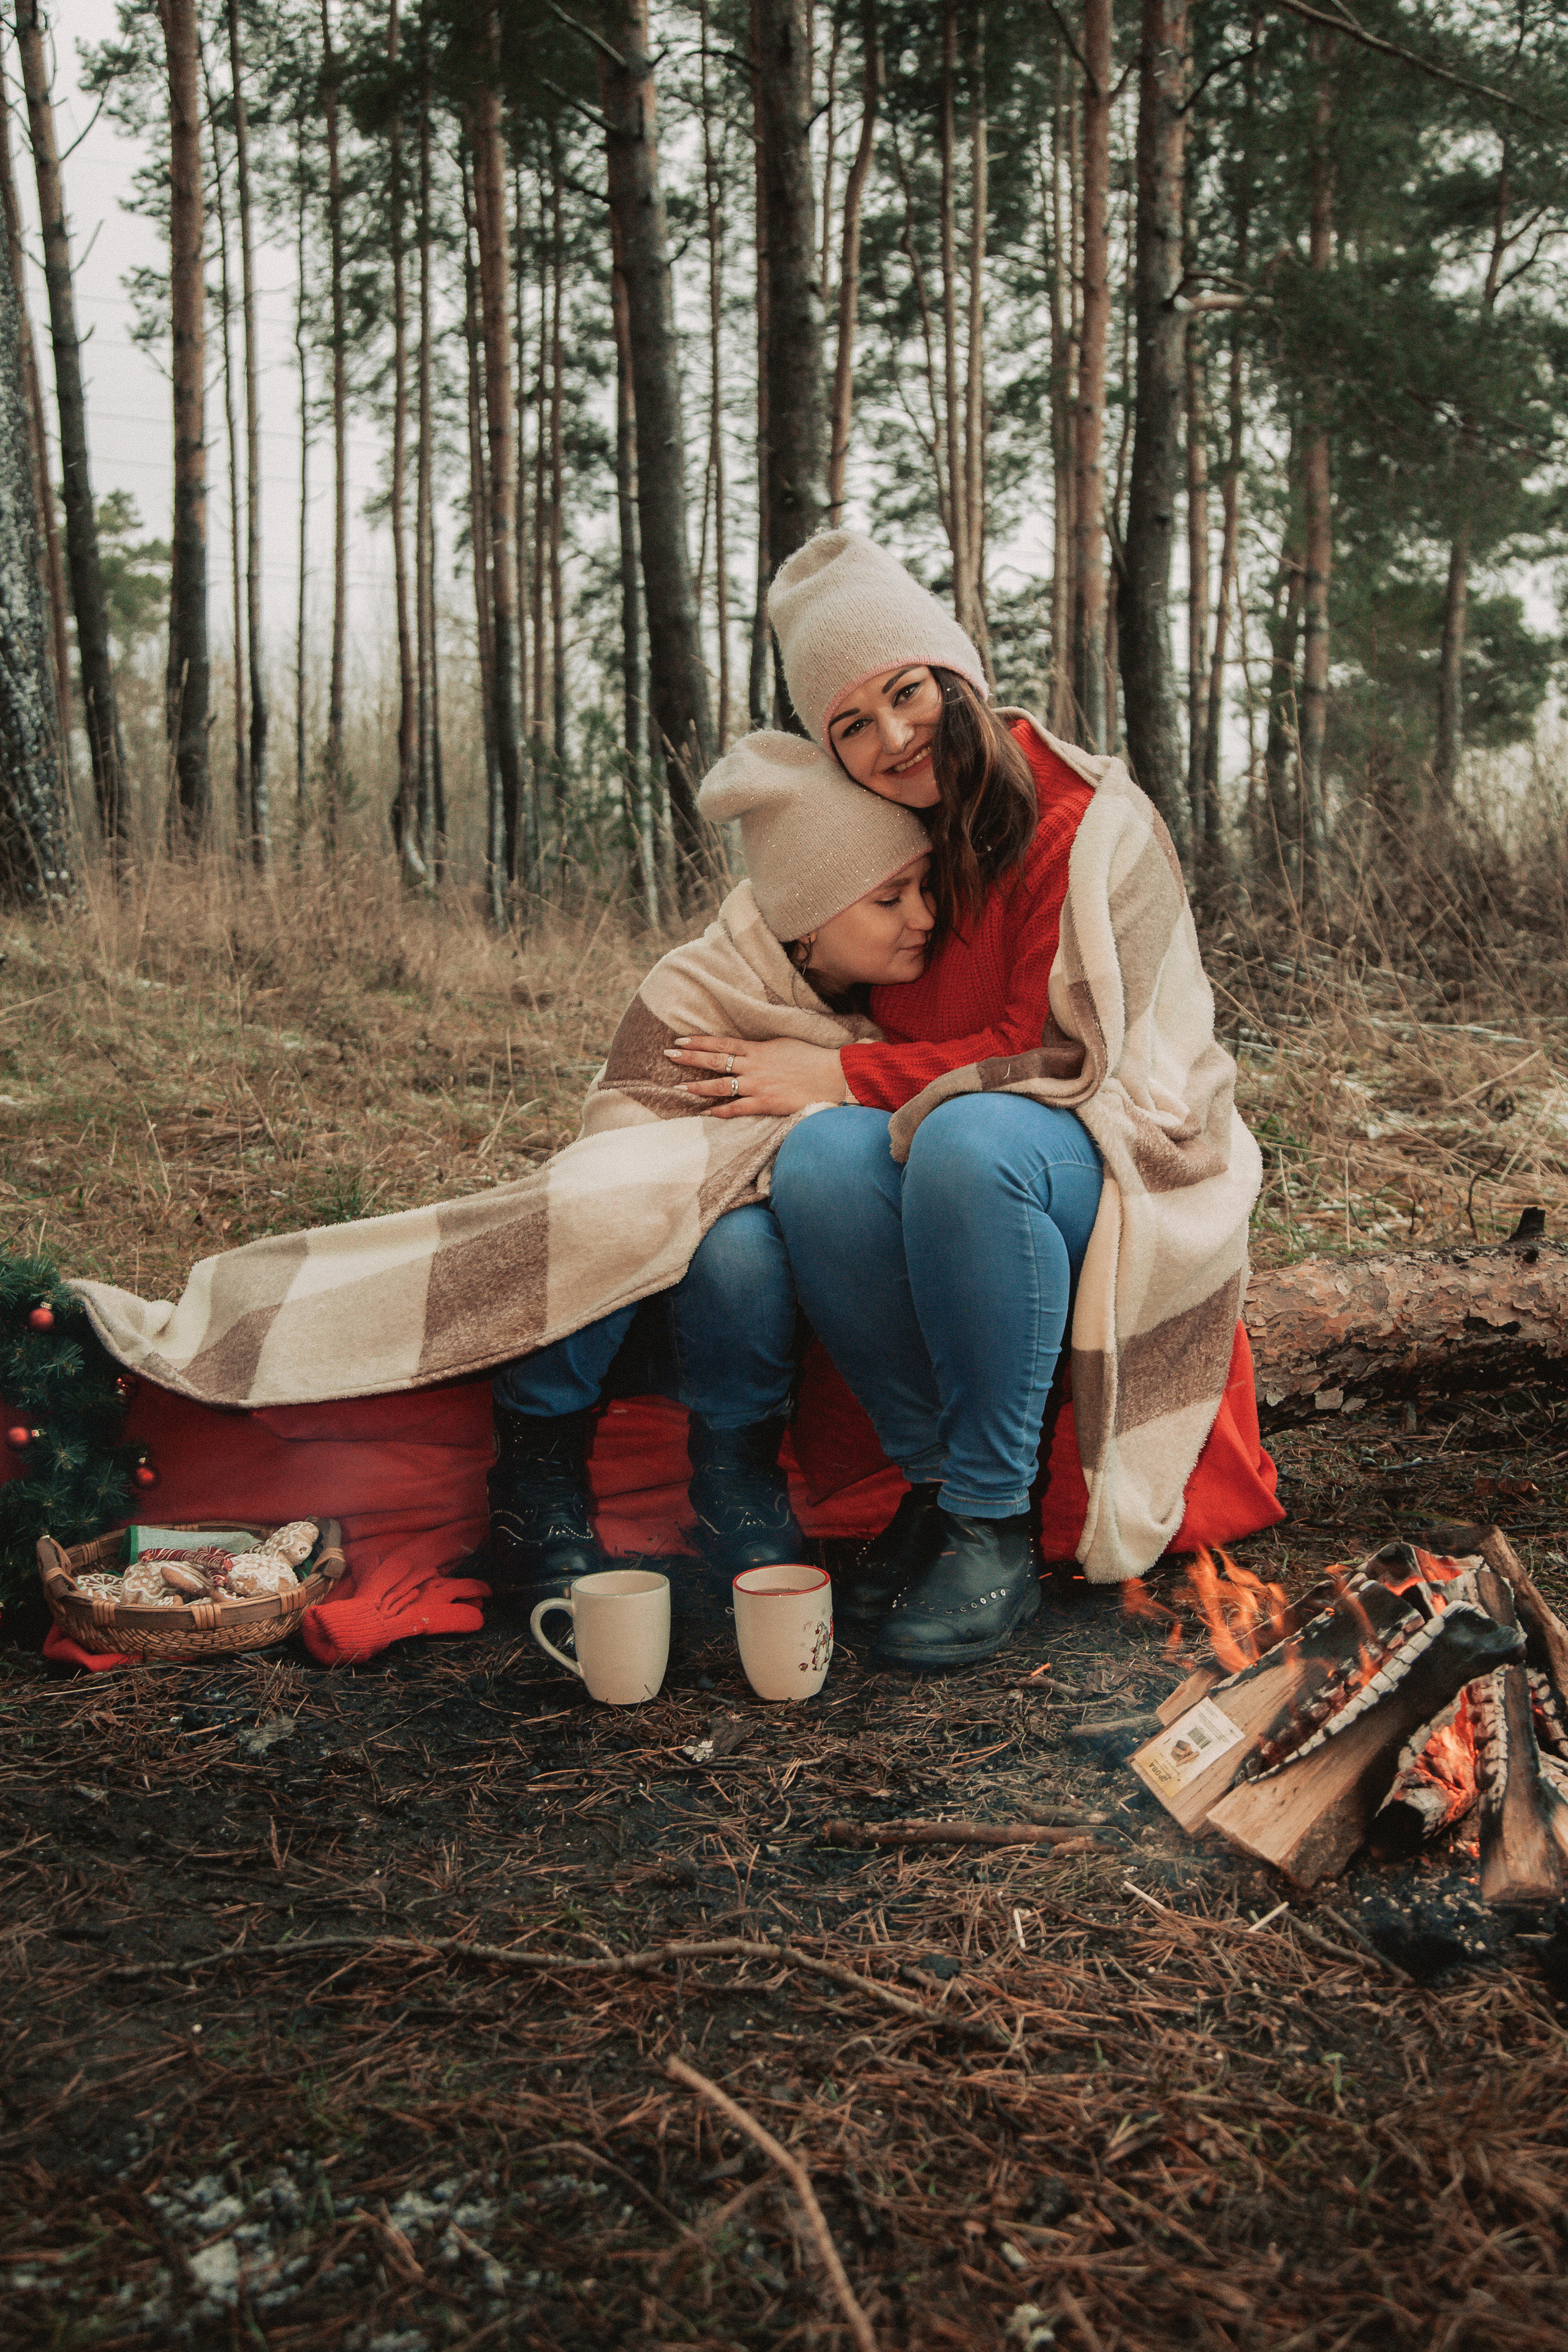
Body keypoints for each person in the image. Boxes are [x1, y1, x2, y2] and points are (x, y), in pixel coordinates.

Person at [665, 529, 1259, 1670]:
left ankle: (994, 1517)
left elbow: (1060, 1052)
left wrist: (842, 1074)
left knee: (967, 1137)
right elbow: (781, 971)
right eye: (852, 726)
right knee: (826, 1159)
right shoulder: (886, 839)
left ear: (959, 675)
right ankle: (934, 1490)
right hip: (968, 1155)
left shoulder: (1083, 823)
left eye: (908, 693)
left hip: (1122, 1149)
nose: (893, 739)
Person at [486, 730, 932, 1600]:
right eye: (892, 899)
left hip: (780, 1287)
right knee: (610, 1201)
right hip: (633, 1285)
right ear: (807, 925)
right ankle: (535, 1473)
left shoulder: (913, 998)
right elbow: (629, 1139)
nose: (923, 916)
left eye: (924, 891)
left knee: (743, 1245)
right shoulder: (699, 985)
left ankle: (735, 1477)